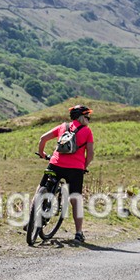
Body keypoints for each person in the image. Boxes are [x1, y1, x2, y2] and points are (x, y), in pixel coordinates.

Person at [35, 104, 95, 243]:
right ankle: (79, 233)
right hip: (75, 169)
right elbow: (90, 154)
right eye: (87, 116)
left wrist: (43, 154)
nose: (88, 119)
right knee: (76, 199)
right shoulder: (87, 131)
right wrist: (83, 166)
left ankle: (31, 218)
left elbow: (43, 138)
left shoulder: (63, 127)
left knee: (40, 188)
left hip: (55, 164)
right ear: (81, 117)